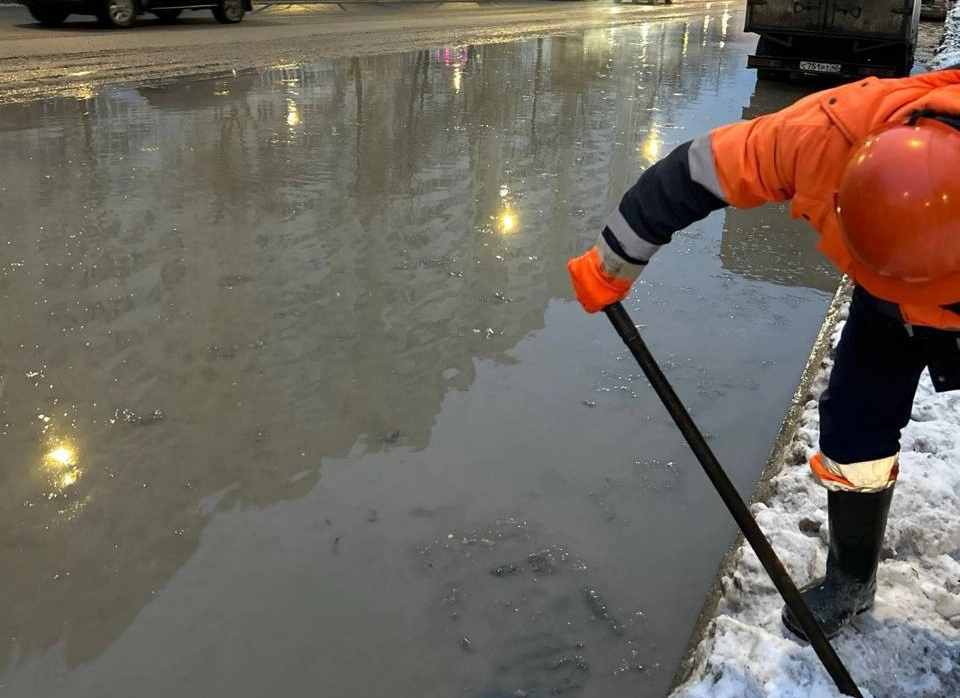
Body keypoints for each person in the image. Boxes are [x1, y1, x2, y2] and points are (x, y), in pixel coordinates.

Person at [567, 68, 960, 641]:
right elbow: (696, 170)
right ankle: (853, 577)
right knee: (854, 426)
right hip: (883, 292)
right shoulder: (825, 137)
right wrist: (613, 260)